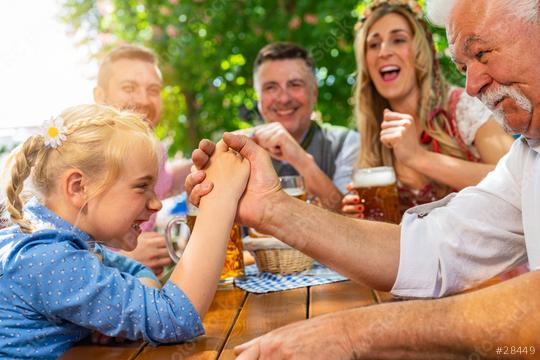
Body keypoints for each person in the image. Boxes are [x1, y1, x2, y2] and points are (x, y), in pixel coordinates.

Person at [186, 0, 540, 356]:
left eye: (482, 53)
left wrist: (355, 332)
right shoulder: (529, 154)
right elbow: (431, 249)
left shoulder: (463, 115)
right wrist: (270, 207)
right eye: (462, 66)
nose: (472, 85)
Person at [0, 104, 249, 358]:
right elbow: (174, 317)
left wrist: (121, 306)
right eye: (142, 187)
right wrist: (219, 200)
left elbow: (136, 270)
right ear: (78, 187)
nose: (156, 204)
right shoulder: (48, 258)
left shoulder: (57, 237)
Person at [342, 0, 513, 217]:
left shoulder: (463, 106)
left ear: (419, 51)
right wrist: (361, 219)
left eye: (398, 40)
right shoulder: (372, 131)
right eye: (373, 44)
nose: (384, 52)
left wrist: (418, 157)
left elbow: (516, 180)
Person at [93, 45, 191, 276]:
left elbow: (167, 179)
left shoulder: (151, 152)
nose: (144, 100)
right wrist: (122, 259)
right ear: (100, 96)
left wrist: (219, 153)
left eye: (153, 90)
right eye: (129, 88)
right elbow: (41, 251)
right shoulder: (82, 155)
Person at [249, 42, 359, 211]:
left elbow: (351, 220)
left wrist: (300, 159)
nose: (284, 98)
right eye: (271, 87)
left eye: (295, 84)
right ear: (258, 99)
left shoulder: (346, 143)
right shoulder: (242, 151)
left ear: (314, 93)